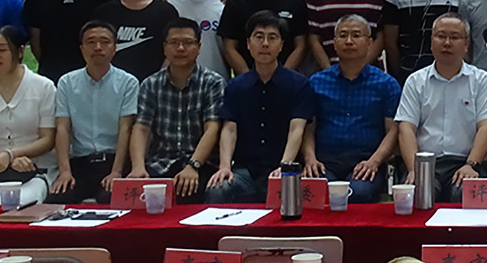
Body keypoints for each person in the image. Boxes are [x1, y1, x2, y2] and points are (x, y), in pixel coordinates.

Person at [207, 13, 314, 204]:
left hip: (284, 168)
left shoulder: (299, 84)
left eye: (272, 38)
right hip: (244, 171)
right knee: (218, 188)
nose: (265, 44)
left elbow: (297, 129)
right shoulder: (235, 86)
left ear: (281, 45)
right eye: (259, 37)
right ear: (248, 44)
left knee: (290, 192)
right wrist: (224, 166)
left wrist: (284, 167)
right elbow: (229, 129)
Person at [395, 14, 487, 201]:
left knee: (464, 194)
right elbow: (406, 128)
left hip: (464, 162)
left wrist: (471, 164)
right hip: (425, 163)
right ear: (431, 42)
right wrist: (414, 168)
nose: (447, 43)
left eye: (454, 37)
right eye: (441, 36)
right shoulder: (415, 81)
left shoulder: (481, 80)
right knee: (421, 193)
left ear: (466, 44)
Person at [302, 15, 402, 203]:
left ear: (369, 42)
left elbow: (393, 131)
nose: (349, 41)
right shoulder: (316, 82)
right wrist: (310, 159)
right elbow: (308, 128)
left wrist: (374, 161)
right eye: (343, 35)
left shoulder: (386, 84)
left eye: (356, 35)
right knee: (316, 192)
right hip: (324, 164)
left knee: (359, 193)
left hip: (366, 163)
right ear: (334, 43)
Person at [129, 18, 226, 201]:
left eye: (188, 43)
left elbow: (212, 129)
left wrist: (193, 165)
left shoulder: (213, 83)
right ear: (165, 48)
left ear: (198, 47)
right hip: (160, 164)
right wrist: (138, 167)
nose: (180, 48)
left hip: (201, 164)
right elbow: (141, 128)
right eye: (174, 42)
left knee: (195, 192)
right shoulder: (151, 84)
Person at [0, 26, 57, 206]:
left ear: (20, 51)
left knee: (24, 201)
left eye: (2, 50)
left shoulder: (44, 87)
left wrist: (10, 155)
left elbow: (48, 139)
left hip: (35, 168)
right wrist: (3, 159)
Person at [51, 20, 140, 203]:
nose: (98, 47)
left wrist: (116, 172)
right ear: (82, 49)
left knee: (111, 200)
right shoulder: (67, 82)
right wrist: (65, 171)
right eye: (91, 42)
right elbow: (62, 128)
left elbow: (126, 129)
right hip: (80, 162)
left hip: (114, 160)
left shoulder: (128, 83)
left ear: (114, 48)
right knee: (56, 200)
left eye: (105, 42)